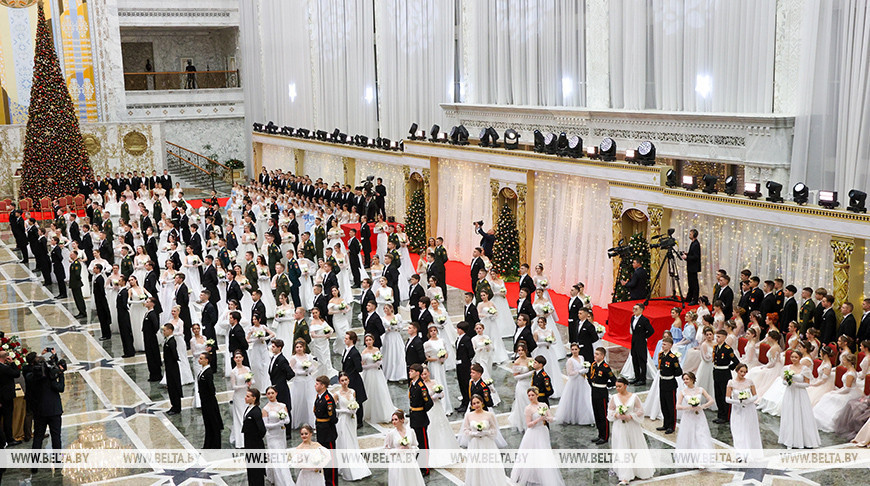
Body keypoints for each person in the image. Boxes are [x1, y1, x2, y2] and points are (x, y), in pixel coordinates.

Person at [511, 387, 565, 486]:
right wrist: (539, 419)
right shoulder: (528, 408)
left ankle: (543, 474)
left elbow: (551, 417)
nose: (530, 397)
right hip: (533, 433)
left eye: (532, 395)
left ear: (537, 395)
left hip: (543, 431)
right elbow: (528, 424)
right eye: (529, 395)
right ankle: (531, 475)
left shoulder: (543, 405)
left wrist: (549, 418)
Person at [608, 377, 655, 485]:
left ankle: (638, 470)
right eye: (616, 386)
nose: (618, 388)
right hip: (619, 426)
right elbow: (610, 411)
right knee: (622, 448)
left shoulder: (634, 397)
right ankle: (625, 476)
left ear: (625, 386)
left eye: (620, 386)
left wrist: (630, 416)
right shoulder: (614, 397)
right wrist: (616, 415)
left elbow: (641, 410)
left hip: (632, 426)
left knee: (635, 446)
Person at [462, 394, 510, 486]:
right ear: (471, 405)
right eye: (474, 403)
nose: (476, 405)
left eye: (478, 402)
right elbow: (465, 430)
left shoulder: (489, 415)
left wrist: (486, 433)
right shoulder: (468, 415)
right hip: (475, 443)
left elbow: (494, 429)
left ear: (482, 403)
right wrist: (473, 433)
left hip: (487, 443)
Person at [779, 350, 821, 449]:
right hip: (790, 394)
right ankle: (789, 439)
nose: (793, 359)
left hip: (800, 394)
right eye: (792, 357)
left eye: (795, 357)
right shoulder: (787, 368)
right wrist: (788, 383)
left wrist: (796, 384)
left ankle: (804, 440)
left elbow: (807, 383)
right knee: (789, 414)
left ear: (800, 358)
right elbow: (784, 381)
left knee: (801, 415)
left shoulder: (805, 369)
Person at [334, 373, 371, 480]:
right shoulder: (337, 394)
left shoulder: (353, 391)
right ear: (339, 382)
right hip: (343, 419)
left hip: (352, 419)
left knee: (353, 440)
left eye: (346, 380)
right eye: (342, 380)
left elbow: (355, 403)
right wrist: (345, 411)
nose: (344, 382)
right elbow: (333, 409)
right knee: (345, 442)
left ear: (349, 380)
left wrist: (354, 409)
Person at [27, 352, 64, 455]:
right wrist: (61, 375)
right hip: (54, 410)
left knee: (38, 438)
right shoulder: (50, 377)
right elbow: (60, 388)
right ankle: (57, 462)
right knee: (56, 437)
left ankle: (34, 464)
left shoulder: (30, 378)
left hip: (39, 412)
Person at [814, 353, 861, 432]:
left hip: (849, 392)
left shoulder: (850, 374)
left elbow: (847, 389)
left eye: (844, 360)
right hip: (845, 390)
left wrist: (836, 392)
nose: (842, 361)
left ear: (849, 362)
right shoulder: (849, 370)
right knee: (827, 396)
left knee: (829, 396)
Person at [725, 363, 763, 451]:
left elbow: (755, 396)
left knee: (749, 429)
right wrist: (738, 402)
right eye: (741, 371)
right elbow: (727, 399)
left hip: (749, 408)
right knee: (738, 429)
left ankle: (751, 449)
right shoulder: (731, 382)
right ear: (737, 371)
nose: (743, 374)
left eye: (745, 372)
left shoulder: (749, 382)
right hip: (737, 409)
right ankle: (740, 450)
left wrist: (748, 401)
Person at [555, 343, 594, 425]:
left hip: (583, 381)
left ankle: (586, 417)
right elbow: (570, 373)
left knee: (585, 398)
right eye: (572, 349)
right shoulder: (570, 361)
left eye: (576, 349)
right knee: (574, 398)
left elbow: (583, 366)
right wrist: (580, 372)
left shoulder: (581, 357)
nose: (574, 351)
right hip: (574, 382)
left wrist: (586, 370)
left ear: (579, 349)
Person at [384, 410, 425, 486]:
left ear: (402, 420)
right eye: (392, 420)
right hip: (397, 462)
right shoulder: (391, 434)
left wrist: (410, 450)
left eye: (396, 419)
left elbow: (415, 446)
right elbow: (386, 450)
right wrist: (398, 450)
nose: (394, 422)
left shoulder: (411, 431)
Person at [261, 386, 293, 485]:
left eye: (272, 393)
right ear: (266, 395)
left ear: (276, 393)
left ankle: (273, 475)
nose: (270, 395)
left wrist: (283, 421)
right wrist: (277, 424)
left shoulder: (282, 406)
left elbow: (288, 420)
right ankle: (283, 480)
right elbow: (265, 425)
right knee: (277, 457)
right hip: (272, 436)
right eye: (268, 393)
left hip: (281, 434)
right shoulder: (265, 409)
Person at [313, 375, 339, 486]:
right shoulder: (318, 397)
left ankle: (332, 483)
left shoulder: (328, 399)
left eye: (317, 383)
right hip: (321, 430)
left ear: (323, 385)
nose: (315, 385)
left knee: (331, 460)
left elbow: (333, 418)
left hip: (328, 432)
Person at [407, 363, 432, 476]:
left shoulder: (421, 386)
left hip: (420, 418)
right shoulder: (413, 384)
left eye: (412, 371)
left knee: (423, 444)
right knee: (417, 443)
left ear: (417, 373)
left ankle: (425, 468)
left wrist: (421, 412)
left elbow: (429, 403)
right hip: (414, 417)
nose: (409, 373)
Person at [712, 329, 740, 423]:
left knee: (725, 395)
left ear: (724, 337)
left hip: (724, 373)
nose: (717, 338)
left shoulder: (727, 349)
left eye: (719, 337)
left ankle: (726, 416)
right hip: (716, 372)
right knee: (718, 395)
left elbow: (736, 361)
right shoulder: (716, 347)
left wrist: (729, 368)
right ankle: (720, 414)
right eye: (717, 336)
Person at [195, 353, 223, 449]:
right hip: (204, 401)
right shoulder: (203, 371)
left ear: (207, 360)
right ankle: (208, 444)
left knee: (213, 423)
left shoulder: (208, 372)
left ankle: (216, 445)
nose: (199, 360)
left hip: (209, 401)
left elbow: (211, 388)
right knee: (208, 423)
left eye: (201, 358)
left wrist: (208, 397)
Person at [655, 336, 681, 434]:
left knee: (671, 405)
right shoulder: (661, 355)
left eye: (665, 344)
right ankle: (665, 424)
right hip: (662, 382)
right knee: (664, 404)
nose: (663, 346)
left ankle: (671, 426)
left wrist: (670, 373)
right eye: (662, 344)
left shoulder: (673, 358)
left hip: (670, 383)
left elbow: (678, 371)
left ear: (670, 346)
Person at [590, 347, 616, 444]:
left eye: (597, 354)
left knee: (603, 414)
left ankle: (605, 437)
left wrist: (606, 385)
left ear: (602, 356)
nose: (595, 355)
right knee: (596, 413)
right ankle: (600, 434)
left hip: (601, 392)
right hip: (594, 391)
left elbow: (614, 380)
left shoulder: (605, 367)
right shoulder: (594, 365)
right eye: (595, 353)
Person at [289, 339, 316, 428]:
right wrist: (300, 372)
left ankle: (311, 421)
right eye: (297, 347)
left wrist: (308, 370)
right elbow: (291, 370)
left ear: (304, 347)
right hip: (299, 381)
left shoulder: (308, 357)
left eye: (300, 347)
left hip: (308, 380)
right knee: (299, 400)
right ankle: (297, 421)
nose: (299, 349)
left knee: (310, 399)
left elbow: (312, 366)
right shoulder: (294, 358)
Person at [242, 387, 266, 486]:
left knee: (257, 471)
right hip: (248, 443)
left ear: (254, 398)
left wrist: (255, 440)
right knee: (251, 469)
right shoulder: (249, 408)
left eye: (248, 396)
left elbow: (262, 430)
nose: (245, 398)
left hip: (255, 445)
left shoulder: (256, 412)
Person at [509, 346, 535, 431]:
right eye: (519, 350)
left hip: (530, 384)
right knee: (523, 403)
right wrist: (529, 373)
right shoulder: (516, 362)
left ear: (526, 351)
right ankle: (524, 423)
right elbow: (516, 377)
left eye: (522, 350)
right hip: (521, 385)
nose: (520, 352)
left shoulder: (531, 360)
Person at [629, 304, 655, 386]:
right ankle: (637, 377)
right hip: (634, 342)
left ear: (641, 310)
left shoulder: (644, 320)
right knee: (635, 359)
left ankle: (642, 378)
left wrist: (644, 337)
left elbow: (651, 330)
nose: (634, 310)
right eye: (633, 309)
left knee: (642, 360)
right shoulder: (632, 318)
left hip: (641, 343)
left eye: (636, 309)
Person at [455, 321, 475, 412]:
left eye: (458, 328)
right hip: (459, 364)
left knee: (465, 383)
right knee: (461, 383)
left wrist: (465, 361)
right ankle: (464, 401)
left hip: (465, 365)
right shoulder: (458, 339)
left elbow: (471, 352)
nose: (457, 330)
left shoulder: (467, 339)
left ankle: (467, 402)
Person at [162, 324, 182, 415]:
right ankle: (173, 405)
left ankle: (176, 407)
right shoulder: (167, 340)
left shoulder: (171, 342)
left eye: (165, 330)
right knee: (171, 387)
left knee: (174, 387)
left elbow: (174, 354)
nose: (163, 332)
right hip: (169, 367)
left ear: (170, 330)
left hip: (172, 367)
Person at [142, 297, 162, 381]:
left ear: (152, 304)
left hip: (151, 338)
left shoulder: (153, 314)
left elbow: (156, 326)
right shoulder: (148, 313)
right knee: (149, 356)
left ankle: (156, 375)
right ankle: (152, 374)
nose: (146, 303)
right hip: (147, 337)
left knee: (153, 355)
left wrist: (151, 333)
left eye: (148, 302)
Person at [680, 229, 701, 304]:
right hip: (691, 267)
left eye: (690, 234)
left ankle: (695, 299)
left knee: (694, 284)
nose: (689, 235)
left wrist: (687, 257)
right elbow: (692, 254)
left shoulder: (696, 244)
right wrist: (687, 254)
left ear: (694, 235)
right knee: (690, 283)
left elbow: (696, 257)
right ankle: (689, 297)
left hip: (693, 267)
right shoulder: (693, 243)